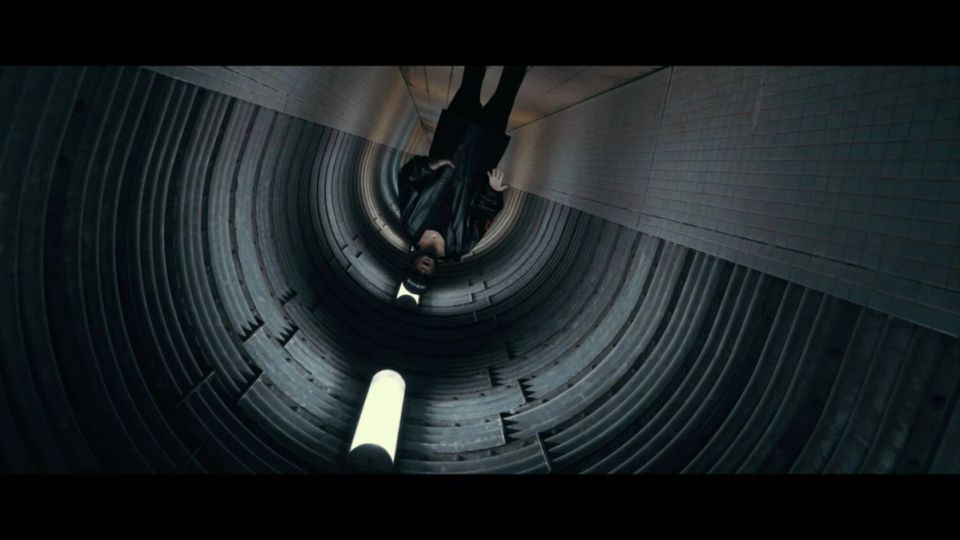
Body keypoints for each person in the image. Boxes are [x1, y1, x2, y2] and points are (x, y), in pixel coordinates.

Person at [396, 66, 527, 304]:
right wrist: (493, 190)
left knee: (471, 81)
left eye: (416, 271)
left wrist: (432, 165)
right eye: (425, 275)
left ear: (411, 265)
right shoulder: (461, 245)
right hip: (482, 152)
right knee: (507, 92)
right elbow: (485, 213)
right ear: (433, 274)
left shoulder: (410, 224)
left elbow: (406, 178)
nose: (423, 269)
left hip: (451, 139)